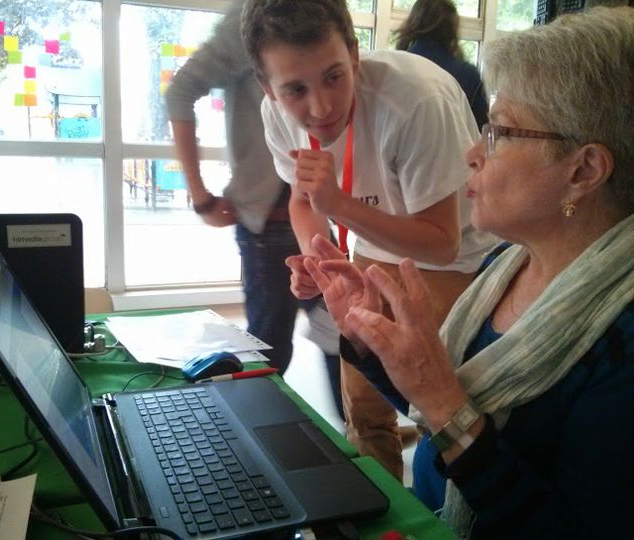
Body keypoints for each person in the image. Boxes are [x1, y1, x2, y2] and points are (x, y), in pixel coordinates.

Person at [301, 6, 634, 537]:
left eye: (501, 132)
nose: (474, 154)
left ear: (585, 169)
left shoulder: (622, 343)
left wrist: (440, 398)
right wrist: (371, 339)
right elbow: (436, 414)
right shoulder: (507, 264)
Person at [241, 0, 496, 479]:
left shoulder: (418, 102)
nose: (320, 107)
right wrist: (320, 258)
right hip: (371, 237)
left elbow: (442, 243)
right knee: (363, 401)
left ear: (355, 54)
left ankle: (443, 509)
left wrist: (339, 207)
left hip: (455, 258)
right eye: (295, 89)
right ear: (267, 88)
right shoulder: (274, 112)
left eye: (334, 76)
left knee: (435, 401)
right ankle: (380, 517)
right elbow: (303, 200)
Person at [166, 0, 344, 414]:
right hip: (272, 222)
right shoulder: (249, 20)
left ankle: (362, 437)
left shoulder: (322, 13)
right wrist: (201, 197)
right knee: (270, 357)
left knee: (344, 333)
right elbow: (180, 91)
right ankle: (261, 453)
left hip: (320, 211)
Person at [394, 0, 488, 129]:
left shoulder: (395, 68)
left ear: (413, 23)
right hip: (455, 148)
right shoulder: (468, 75)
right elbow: (480, 130)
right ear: (452, 29)